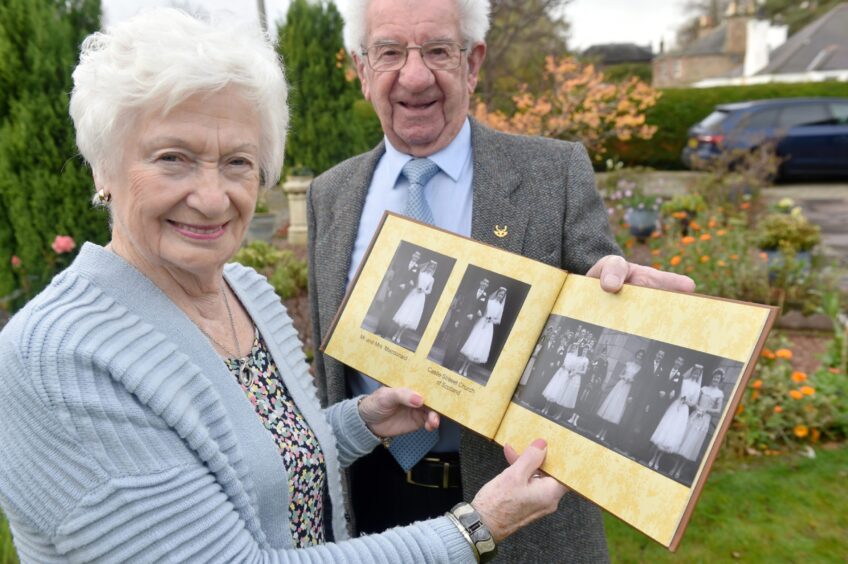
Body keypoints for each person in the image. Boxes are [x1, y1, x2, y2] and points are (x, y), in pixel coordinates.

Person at [0, 10, 570, 563]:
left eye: (237, 162)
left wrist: (361, 420)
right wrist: (477, 528)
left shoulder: (246, 294)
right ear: (103, 166)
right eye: (172, 158)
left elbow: (257, 461)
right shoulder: (57, 357)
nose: (212, 196)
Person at [307, 0, 695, 559]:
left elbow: (602, 289)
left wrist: (624, 299)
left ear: (473, 62)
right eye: (389, 52)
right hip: (371, 506)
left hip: (523, 519)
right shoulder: (330, 194)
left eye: (438, 50)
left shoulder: (552, 173)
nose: (414, 76)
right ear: (362, 68)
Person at [647, 364, 704, 471]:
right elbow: (676, 391)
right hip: (675, 406)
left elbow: (694, 402)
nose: (696, 374)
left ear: (699, 375)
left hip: (683, 411)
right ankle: (653, 457)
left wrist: (687, 401)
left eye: (698, 373)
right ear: (692, 372)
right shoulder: (684, 381)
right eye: (695, 372)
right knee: (664, 432)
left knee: (671, 436)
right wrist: (679, 397)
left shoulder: (697, 388)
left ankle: (658, 460)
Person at [671, 368, 725, 480]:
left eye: (718, 378)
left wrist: (705, 410)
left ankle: (680, 470)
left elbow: (718, 410)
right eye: (715, 377)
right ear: (712, 377)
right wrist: (697, 407)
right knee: (684, 440)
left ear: (720, 380)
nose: (716, 379)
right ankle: (674, 467)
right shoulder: (703, 389)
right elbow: (695, 401)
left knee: (691, 444)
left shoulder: (719, 394)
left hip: (704, 419)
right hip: (695, 415)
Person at [596, 349, 646, 442]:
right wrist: (623, 377)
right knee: (610, 407)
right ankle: (600, 432)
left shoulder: (640, 368)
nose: (639, 357)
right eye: (638, 355)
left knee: (616, 410)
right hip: (620, 385)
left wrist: (631, 380)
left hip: (627, 388)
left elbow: (637, 381)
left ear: (642, 358)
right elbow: (620, 374)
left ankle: (604, 433)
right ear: (636, 355)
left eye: (641, 356)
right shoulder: (628, 364)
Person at [441, 277, 489, 370]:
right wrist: (458, 319)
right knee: (454, 341)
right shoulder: (472, 291)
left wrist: (474, 315)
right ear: (481, 282)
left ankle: (451, 365)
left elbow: (482, 311)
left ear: (487, 286)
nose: (484, 284)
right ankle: (445, 361)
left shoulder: (485, 296)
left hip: (471, 324)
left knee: (461, 344)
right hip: (461, 320)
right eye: (484, 282)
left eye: (486, 284)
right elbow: (463, 306)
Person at [457, 286, 505, 377]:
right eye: (499, 294)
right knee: (472, 345)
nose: (500, 296)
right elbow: (483, 311)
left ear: (503, 297)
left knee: (478, 348)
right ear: (497, 294)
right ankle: (462, 366)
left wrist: (491, 320)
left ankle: (466, 368)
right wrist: (485, 316)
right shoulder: (489, 302)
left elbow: (498, 320)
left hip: (488, 327)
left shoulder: (500, 308)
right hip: (481, 323)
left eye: (502, 295)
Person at [376, 250, 422, 339]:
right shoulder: (404, 263)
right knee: (386, 310)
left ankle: (384, 333)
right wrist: (391, 289)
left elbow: (414, 282)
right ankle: (378, 329)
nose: (416, 257)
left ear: (419, 258)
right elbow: (396, 276)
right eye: (415, 254)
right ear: (412, 255)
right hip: (394, 290)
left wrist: (407, 285)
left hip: (402, 294)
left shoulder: (417, 269)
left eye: (418, 256)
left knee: (393, 313)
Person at [391, 260, 437, 345]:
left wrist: (423, 290)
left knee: (411, 317)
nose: (430, 269)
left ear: (434, 269)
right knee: (405, 314)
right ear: (428, 266)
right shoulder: (420, 273)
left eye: (432, 268)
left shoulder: (432, 279)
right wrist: (427, 262)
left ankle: (399, 335)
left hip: (420, 297)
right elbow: (417, 269)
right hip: (414, 293)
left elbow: (429, 290)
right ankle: (396, 333)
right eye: (430, 266)